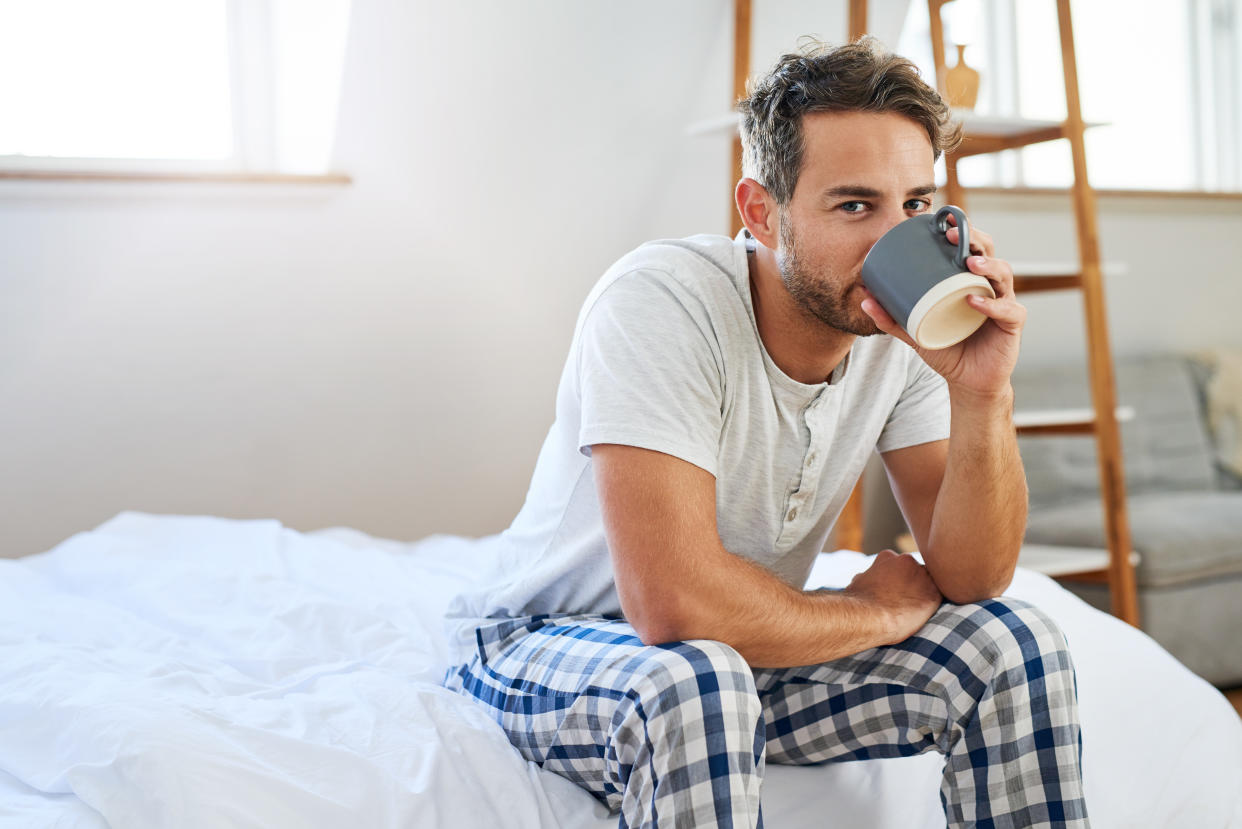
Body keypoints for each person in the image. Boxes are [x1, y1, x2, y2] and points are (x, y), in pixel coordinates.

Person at [444, 37, 1087, 829]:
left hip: (741, 648)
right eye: (856, 205)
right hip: (543, 642)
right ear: (761, 212)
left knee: (1012, 642)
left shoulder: (904, 326)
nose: (897, 239)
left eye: (916, 205)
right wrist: (873, 615)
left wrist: (982, 394)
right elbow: (672, 604)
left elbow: (973, 575)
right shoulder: (661, 301)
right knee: (696, 681)